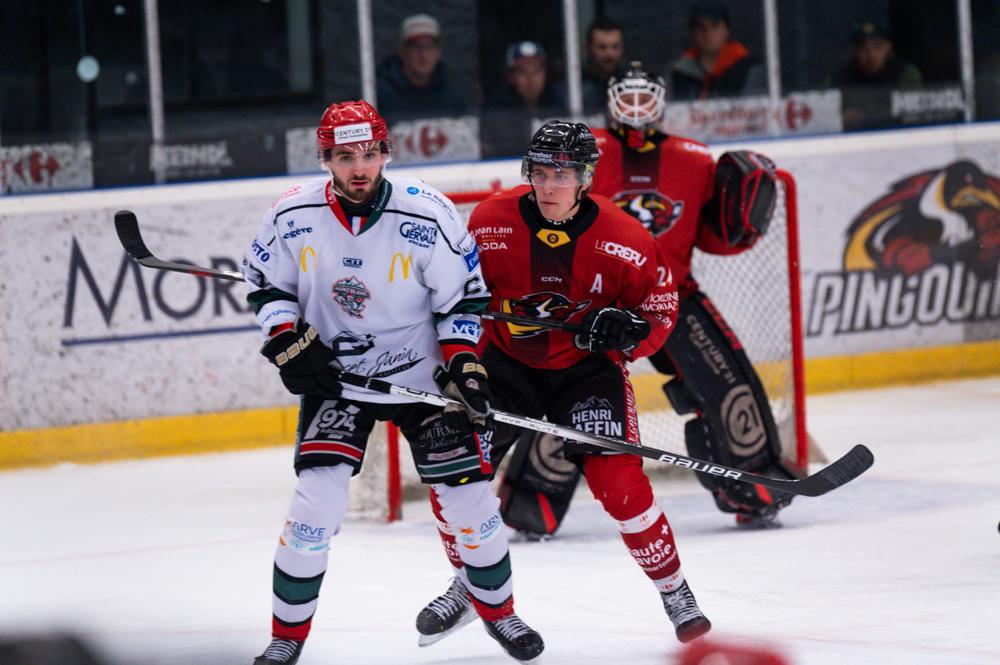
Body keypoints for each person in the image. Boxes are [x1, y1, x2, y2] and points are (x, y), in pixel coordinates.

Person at [244, 100, 542, 664]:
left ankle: (501, 616)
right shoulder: (291, 214)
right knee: (315, 507)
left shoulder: (427, 214)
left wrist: (465, 365)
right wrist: (286, 340)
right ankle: (286, 638)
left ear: (386, 152)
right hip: (339, 380)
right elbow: (267, 287)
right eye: (344, 156)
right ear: (326, 158)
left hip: (421, 380)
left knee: (471, 502)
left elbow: (464, 299)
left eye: (368, 153)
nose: (358, 167)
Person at [415, 120, 712, 647]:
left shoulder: (626, 238)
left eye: (565, 173)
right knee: (455, 476)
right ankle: (469, 585)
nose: (551, 185)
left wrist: (629, 334)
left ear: (586, 177)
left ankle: (674, 589)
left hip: (585, 373)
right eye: (542, 172)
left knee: (619, 486)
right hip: (503, 365)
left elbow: (661, 308)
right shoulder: (489, 221)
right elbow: (456, 292)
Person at [591, 62, 801, 526]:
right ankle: (531, 497)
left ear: (662, 101)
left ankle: (752, 484)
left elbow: (713, 238)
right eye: (628, 96)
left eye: (646, 96)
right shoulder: (586, 152)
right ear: (610, 99)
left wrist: (739, 221)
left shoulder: (694, 159)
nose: (637, 107)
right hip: (599, 300)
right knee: (565, 392)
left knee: (729, 381)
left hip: (673, 295)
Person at [827, 16, 923, 130]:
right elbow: (820, 112)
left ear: (888, 48)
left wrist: (870, 116)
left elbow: (915, 114)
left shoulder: (905, 74)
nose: (871, 55)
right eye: (864, 48)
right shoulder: (839, 78)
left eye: (877, 47)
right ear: (854, 50)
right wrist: (838, 118)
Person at [375, 13, 468, 124]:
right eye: (416, 47)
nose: (424, 55)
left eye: (430, 47)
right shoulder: (378, 96)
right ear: (402, 51)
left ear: (439, 52)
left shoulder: (453, 100)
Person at [481, 41, 567, 158]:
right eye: (522, 72)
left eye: (537, 71)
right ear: (511, 77)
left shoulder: (557, 106)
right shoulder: (496, 113)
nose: (531, 80)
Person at [669, 1, 766, 100]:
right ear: (693, 33)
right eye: (701, 27)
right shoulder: (678, 72)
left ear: (727, 30)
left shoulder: (749, 69)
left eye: (715, 25)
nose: (708, 32)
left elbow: (755, 110)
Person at [580, 17, 627, 113]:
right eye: (602, 47)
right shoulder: (575, 86)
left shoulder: (630, 83)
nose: (610, 54)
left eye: (615, 47)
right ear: (588, 48)